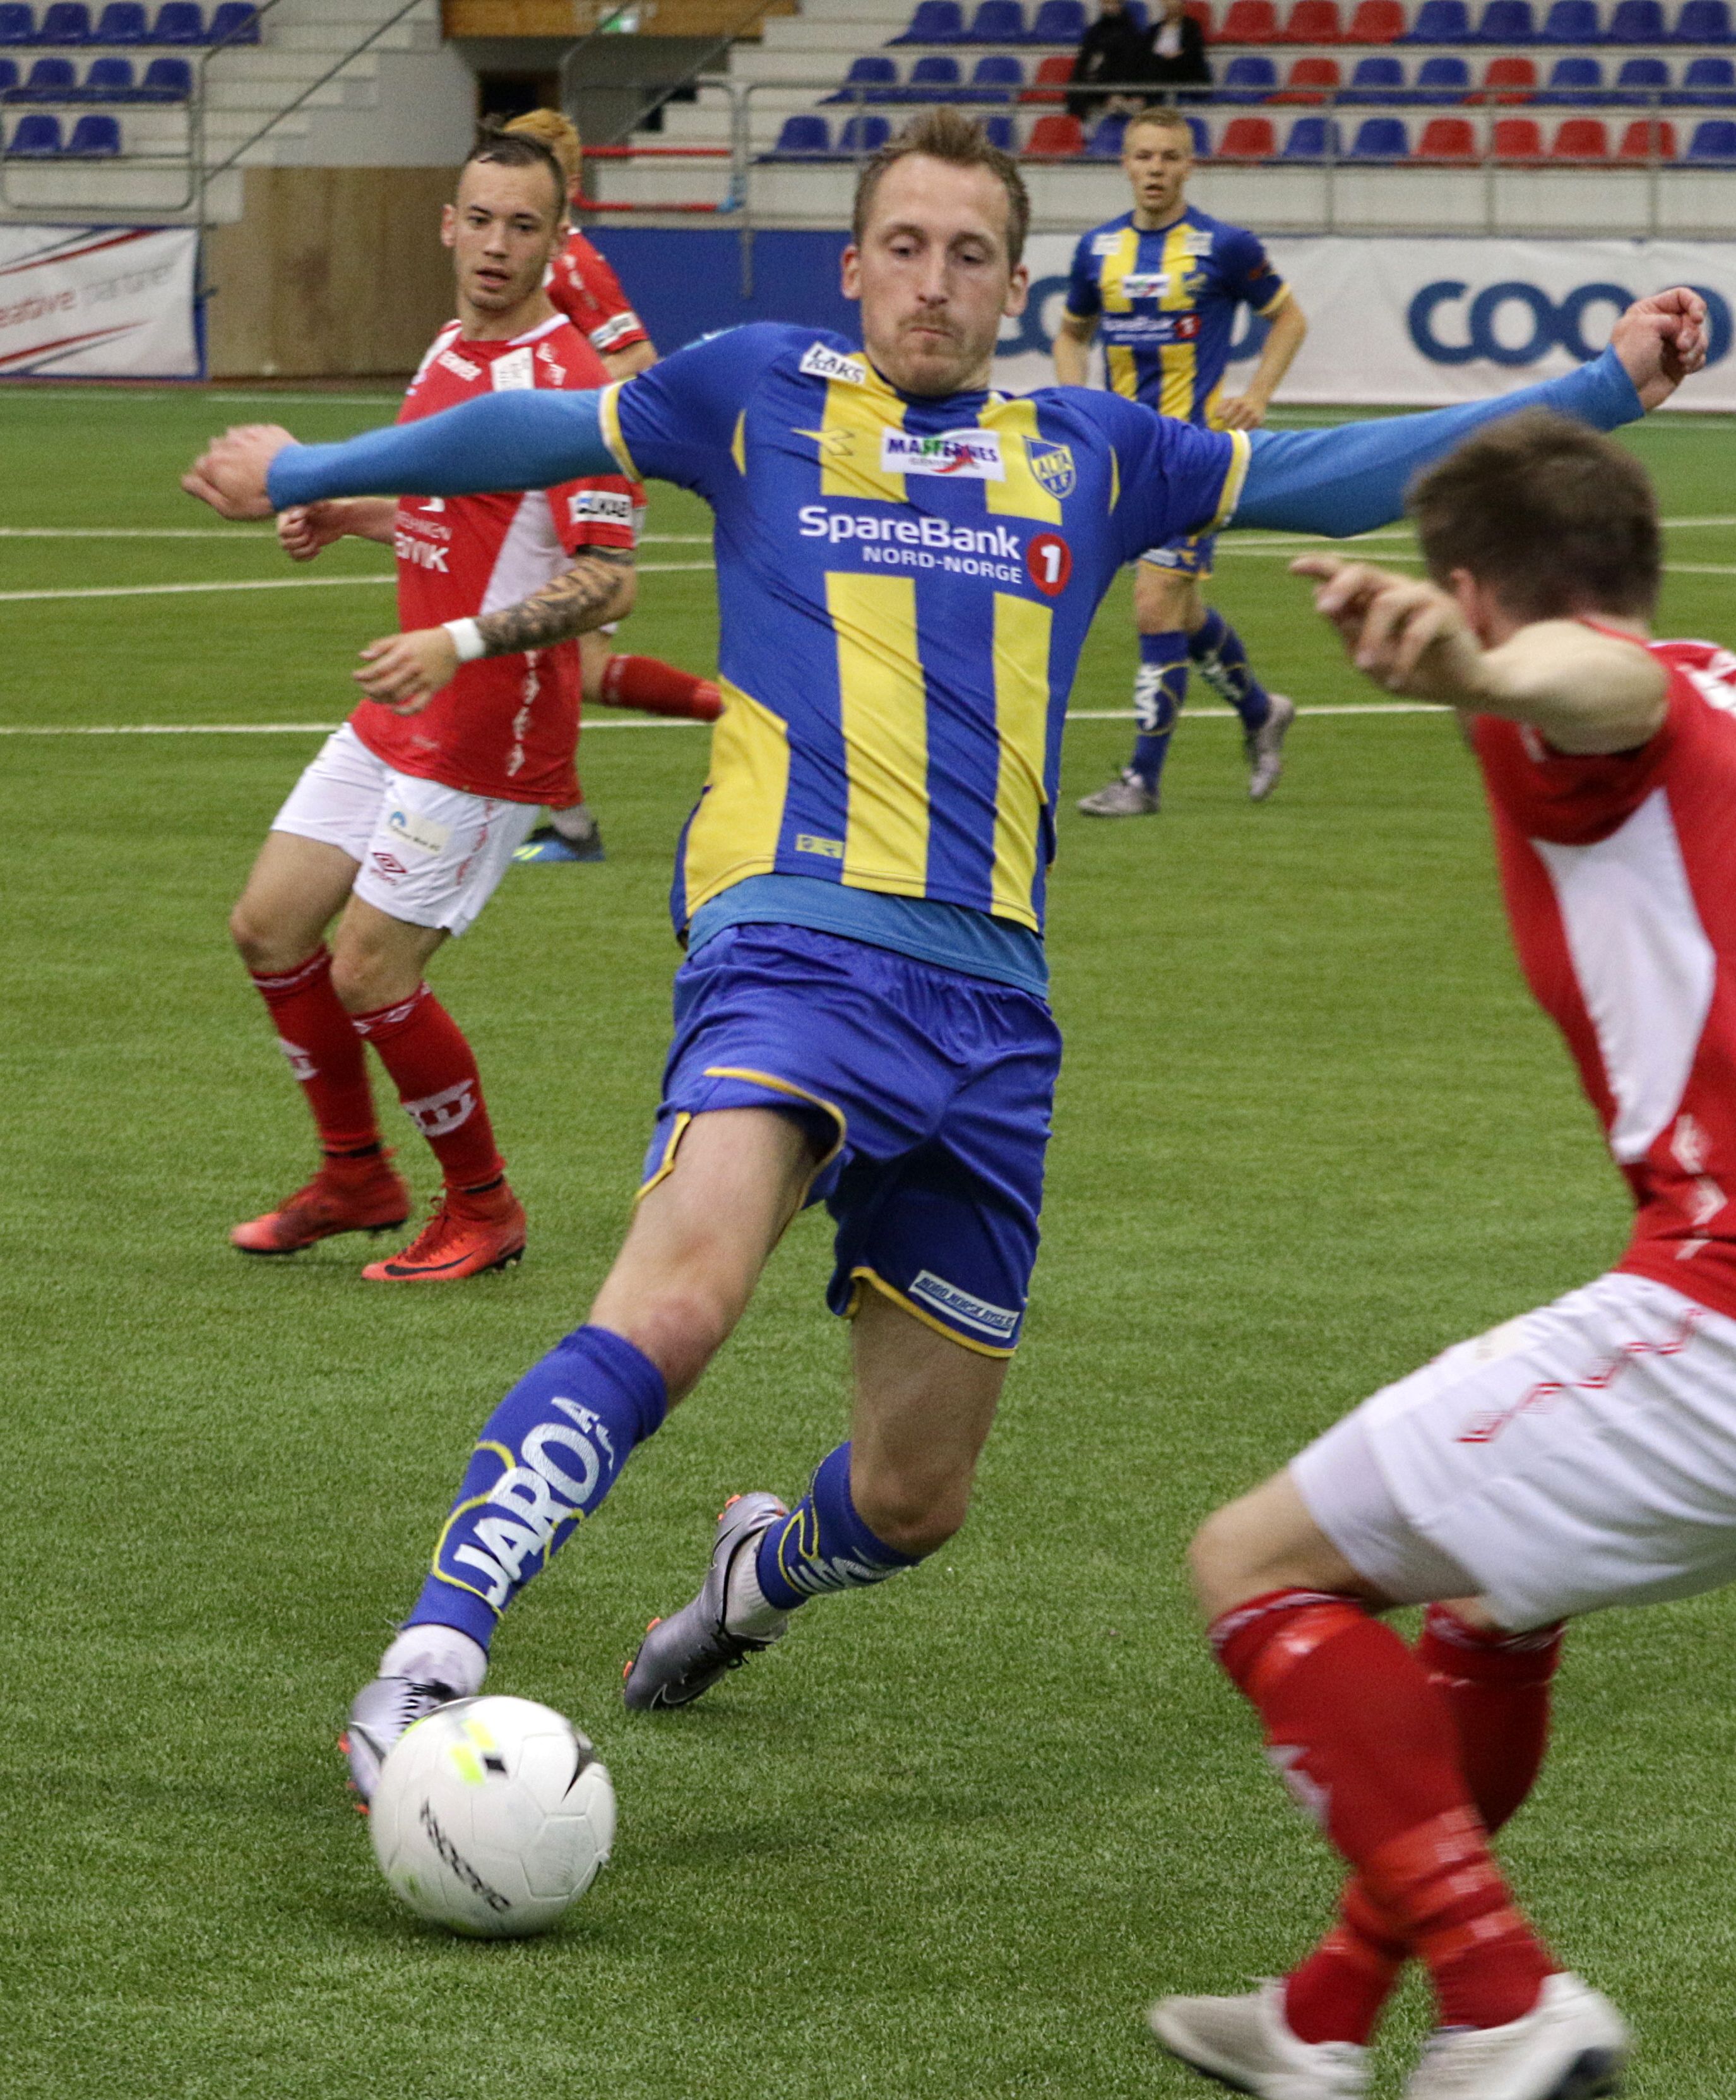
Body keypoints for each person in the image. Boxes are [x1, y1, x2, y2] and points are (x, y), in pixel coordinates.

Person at [180, 113, 1701, 1799]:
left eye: (966, 256)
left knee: (912, 1500)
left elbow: (1343, 466)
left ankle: (754, 1576)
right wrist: (305, 469)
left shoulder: (1094, 449)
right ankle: (427, 1659)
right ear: (852, 266)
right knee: (678, 1292)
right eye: (901, 248)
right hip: (789, 942)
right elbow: (528, 424)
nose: (929, 283)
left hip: (990, 1008)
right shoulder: (749, 390)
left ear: (1009, 285)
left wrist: (1604, 385)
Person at [1148, 410, 1736, 2099]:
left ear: (1471, 587)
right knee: (1489, 1592)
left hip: (1716, 1307)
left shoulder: (1586, 707)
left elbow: (1587, 686)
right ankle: (1324, 2011)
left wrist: (1479, 674)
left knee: (1251, 1562)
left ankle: (1503, 1996)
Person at [226, 129, 655, 1280]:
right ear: (447, 224)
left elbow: (608, 577)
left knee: (370, 968)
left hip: (486, 731)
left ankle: (484, 1207)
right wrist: (350, 515)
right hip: (404, 708)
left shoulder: (575, 388)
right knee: (270, 925)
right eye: (482, 219)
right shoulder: (451, 348)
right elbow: (455, 516)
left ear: (557, 243)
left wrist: (455, 641)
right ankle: (355, 1176)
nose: (497, 245)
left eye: (525, 226)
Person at [1056, 105, 1309, 817]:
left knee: (1153, 601)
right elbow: (1071, 333)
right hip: (1126, 461)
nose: (1155, 169)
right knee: (1181, 610)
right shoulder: (1098, 250)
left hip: (1195, 459)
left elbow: (1288, 318)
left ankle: (1142, 780)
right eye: (1143, 156)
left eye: (1169, 157)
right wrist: (1076, 405)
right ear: (1125, 164)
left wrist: (1257, 395)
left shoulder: (1222, 246)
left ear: (1189, 166)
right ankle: (1261, 711)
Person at [501, 109, 722, 864]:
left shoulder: (571, 265)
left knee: (538, 659)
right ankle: (747, 717)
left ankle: (571, 829)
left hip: (584, 484)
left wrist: (552, 411)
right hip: (551, 481)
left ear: (564, 182)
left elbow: (637, 362)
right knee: (579, 669)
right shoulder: (534, 259)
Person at [1067, 0, 1155, 121]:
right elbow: (1083, 64)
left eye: (1112, 2)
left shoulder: (1133, 33)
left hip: (1122, 85)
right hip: (1098, 86)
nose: (1108, 6)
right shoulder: (1094, 32)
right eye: (1105, 2)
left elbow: (1136, 65)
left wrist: (1125, 93)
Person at [1144, 0, 1212, 100]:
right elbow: (1146, 54)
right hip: (1158, 73)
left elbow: (1194, 54)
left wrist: (1175, 55)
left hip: (1184, 73)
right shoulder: (1154, 30)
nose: (1171, 3)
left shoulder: (1192, 27)